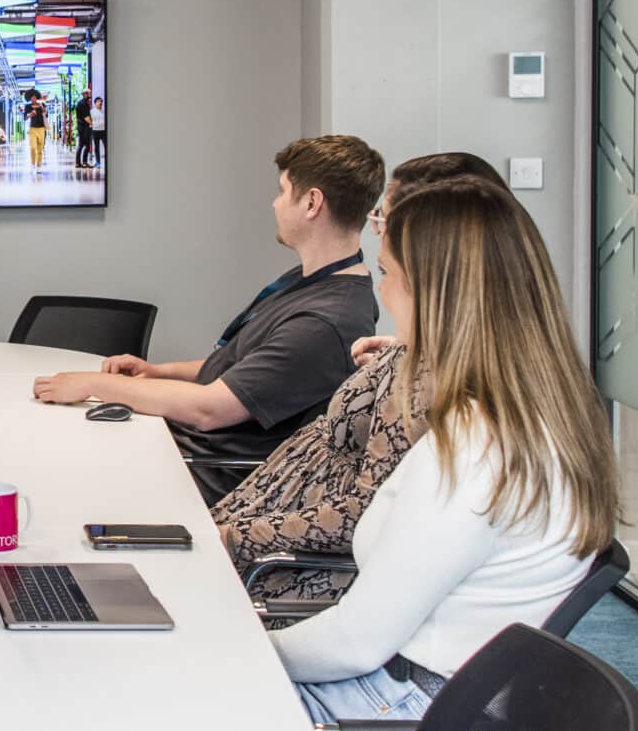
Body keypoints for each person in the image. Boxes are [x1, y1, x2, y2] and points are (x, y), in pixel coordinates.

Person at [272, 175, 620, 731]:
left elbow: (356, 638)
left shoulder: (477, 447)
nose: (382, 290)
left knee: (179, 712)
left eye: (389, 272)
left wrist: (238, 649)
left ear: (436, 294)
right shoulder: (549, 417)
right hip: (447, 724)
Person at [212, 154, 508, 599]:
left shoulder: (416, 375)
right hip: (256, 524)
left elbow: (365, 511)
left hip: (270, 559)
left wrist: (236, 537)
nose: (377, 227)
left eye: (386, 216)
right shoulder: (429, 353)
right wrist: (400, 352)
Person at [32, 135, 384, 492]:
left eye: (282, 191)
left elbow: (210, 409)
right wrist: (157, 372)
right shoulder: (312, 282)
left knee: (50, 468)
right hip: (184, 446)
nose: (274, 204)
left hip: (204, 472)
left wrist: (97, 385)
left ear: (311, 202)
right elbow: (243, 365)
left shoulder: (324, 322)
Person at [24, 90, 50, 171]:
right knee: (32, 147)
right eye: (32, 96)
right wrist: (31, 114)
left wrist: (43, 110)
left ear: (37, 97)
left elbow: (46, 115)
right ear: (30, 98)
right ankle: (32, 163)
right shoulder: (27, 106)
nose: (33, 98)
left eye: (35, 96)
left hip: (41, 128)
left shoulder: (42, 105)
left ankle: (39, 166)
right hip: (32, 128)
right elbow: (25, 117)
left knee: (40, 148)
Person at [83, 95, 107, 169]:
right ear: (95, 103)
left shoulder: (104, 111)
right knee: (96, 147)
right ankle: (98, 162)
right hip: (95, 131)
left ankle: (107, 161)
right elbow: (88, 120)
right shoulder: (92, 112)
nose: (101, 103)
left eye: (101, 102)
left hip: (103, 131)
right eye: (99, 101)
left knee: (106, 146)